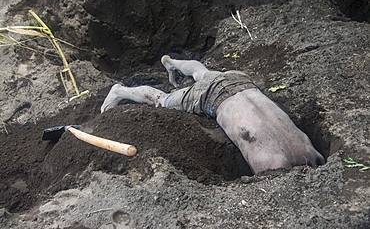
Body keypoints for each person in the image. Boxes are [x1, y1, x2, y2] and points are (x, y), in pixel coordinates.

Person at [101, 55, 325, 174]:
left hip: (240, 81)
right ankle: (120, 91)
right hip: (215, 95)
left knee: (204, 73)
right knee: (164, 101)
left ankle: (173, 63)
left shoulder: (301, 153)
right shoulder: (304, 155)